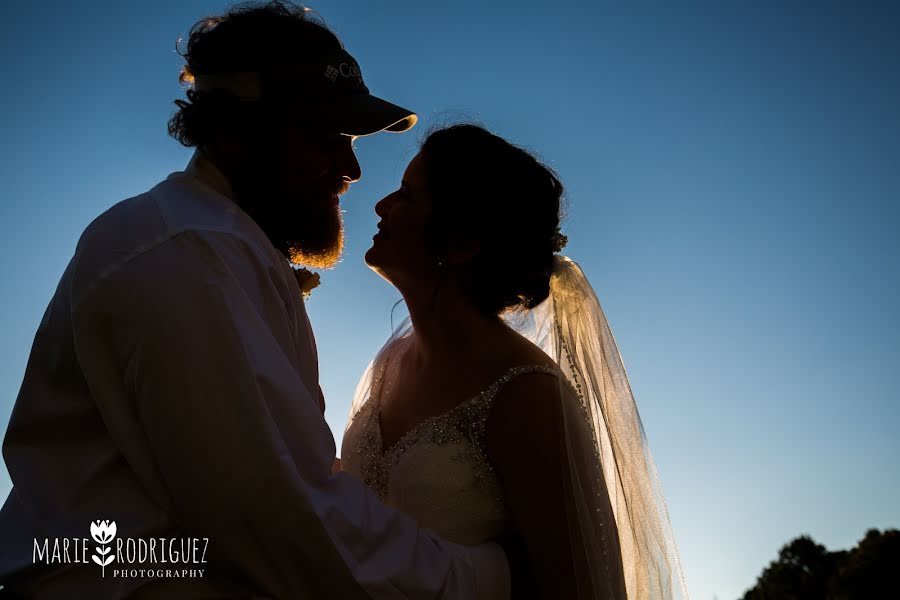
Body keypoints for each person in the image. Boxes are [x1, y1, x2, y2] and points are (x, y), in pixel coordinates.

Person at [0, 4, 509, 598]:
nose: (350, 168)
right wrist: (488, 577)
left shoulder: (215, 243)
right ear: (235, 134)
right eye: (325, 139)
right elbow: (282, 518)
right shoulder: (192, 252)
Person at [341, 124, 690, 599]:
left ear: (462, 243)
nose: (382, 206)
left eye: (406, 195)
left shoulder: (525, 393)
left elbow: (573, 585)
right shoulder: (387, 364)